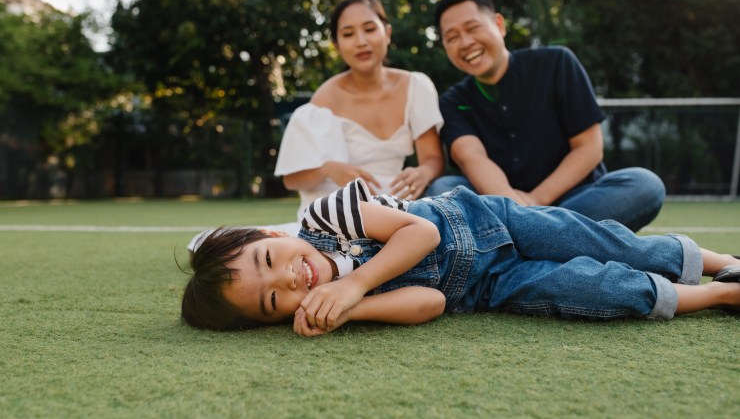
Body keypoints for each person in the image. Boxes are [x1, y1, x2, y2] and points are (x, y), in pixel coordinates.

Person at [180, 179, 740, 336]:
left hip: (489, 218)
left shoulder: (325, 216)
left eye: (269, 258)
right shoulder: (335, 307)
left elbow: (421, 234)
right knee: (591, 290)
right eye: (272, 301)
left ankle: (717, 261)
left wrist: (354, 285)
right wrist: (354, 310)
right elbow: (430, 301)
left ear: (266, 233)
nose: (287, 279)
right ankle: (721, 293)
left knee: (609, 243)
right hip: (490, 286)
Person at [425, 0, 665, 232]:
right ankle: (554, 241)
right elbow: (472, 158)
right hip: (501, 209)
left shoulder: (557, 63)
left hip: (575, 204)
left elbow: (589, 148)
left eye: (472, 28)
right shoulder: (452, 101)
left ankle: (525, 242)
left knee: (645, 185)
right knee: (443, 190)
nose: (466, 43)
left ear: (499, 25)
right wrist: (516, 208)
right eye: (452, 37)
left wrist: (534, 203)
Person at [274, 0, 445, 222]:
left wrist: (424, 172)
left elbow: (433, 157)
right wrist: (328, 170)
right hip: (339, 212)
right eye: (348, 34)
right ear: (336, 45)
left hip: (398, 208)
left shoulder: (416, 86)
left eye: (370, 29)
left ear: (387, 33)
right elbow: (291, 179)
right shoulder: (323, 100)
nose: (361, 41)